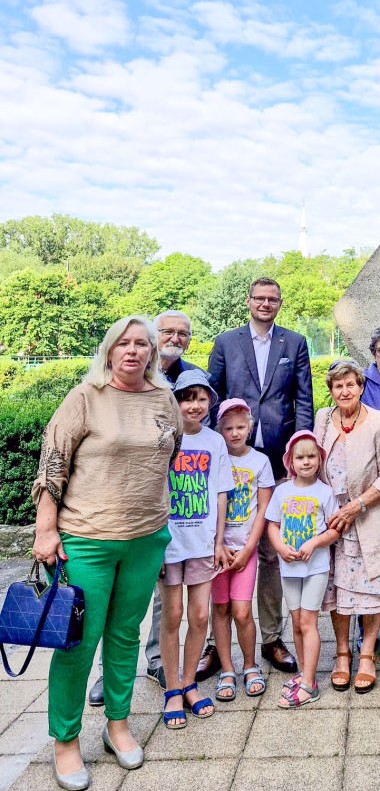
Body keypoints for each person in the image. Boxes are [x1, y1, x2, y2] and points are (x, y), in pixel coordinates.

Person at [31, 316, 182, 789]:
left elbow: (170, 453)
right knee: (78, 641)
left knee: (125, 637)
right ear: (110, 350)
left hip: (146, 537)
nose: (133, 351)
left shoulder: (165, 398)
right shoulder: (85, 397)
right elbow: (53, 460)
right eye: (124, 343)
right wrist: (46, 529)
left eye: (143, 344)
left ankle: (118, 726)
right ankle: (66, 741)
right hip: (87, 540)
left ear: (153, 354)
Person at [89, 309, 200, 706]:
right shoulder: (105, 386)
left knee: (160, 593)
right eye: (167, 330)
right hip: (110, 515)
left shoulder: (186, 380)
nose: (176, 337)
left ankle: (156, 660)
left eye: (182, 333)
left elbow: (178, 449)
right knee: (114, 598)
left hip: (160, 509)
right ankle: (106, 673)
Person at [207, 277, 314, 676]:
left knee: (270, 549)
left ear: (280, 303)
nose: (266, 304)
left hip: (277, 456)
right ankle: (215, 647)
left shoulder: (295, 343)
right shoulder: (225, 342)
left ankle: (271, 638)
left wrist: (300, 453)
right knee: (218, 542)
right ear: (248, 301)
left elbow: (304, 398)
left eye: (273, 299)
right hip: (232, 455)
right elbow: (212, 396)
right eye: (260, 298)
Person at [313, 359, 380, 693]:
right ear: (331, 390)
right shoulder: (323, 419)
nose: (345, 390)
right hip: (331, 522)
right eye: (338, 385)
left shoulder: (379, 421)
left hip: (367, 517)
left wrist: (357, 505)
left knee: (371, 590)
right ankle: (341, 653)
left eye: (350, 384)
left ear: (361, 386)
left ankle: (366, 654)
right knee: (336, 590)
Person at [160, 369, 234, 729]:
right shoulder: (165, 439)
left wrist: (219, 541)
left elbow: (221, 492)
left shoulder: (215, 441)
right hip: (170, 544)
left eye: (201, 398)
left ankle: (189, 681)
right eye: (187, 398)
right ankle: (171, 686)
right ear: (175, 400)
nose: (194, 405)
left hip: (203, 542)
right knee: (171, 615)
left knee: (200, 616)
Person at [266, 431, 340, 708]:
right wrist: (280, 548)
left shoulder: (325, 492)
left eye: (311, 456)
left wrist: (315, 542)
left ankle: (309, 684)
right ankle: (303, 674)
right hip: (289, 569)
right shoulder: (282, 491)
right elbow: (272, 525)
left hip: (315, 569)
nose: (306, 462)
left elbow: (334, 530)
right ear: (290, 461)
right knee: (296, 623)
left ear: (319, 460)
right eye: (300, 457)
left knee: (308, 623)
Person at [211, 398, 275, 702]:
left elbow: (264, 508)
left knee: (242, 610)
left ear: (250, 428)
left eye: (240, 427)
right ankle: (227, 669)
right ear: (220, 429)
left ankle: (250, 665)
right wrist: (218, 544)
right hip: (216, 552)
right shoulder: (215, 458)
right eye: (228, 428)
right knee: (220, 609)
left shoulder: (260, 462)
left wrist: (250, 548)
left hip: (244, 549)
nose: (235, 433)